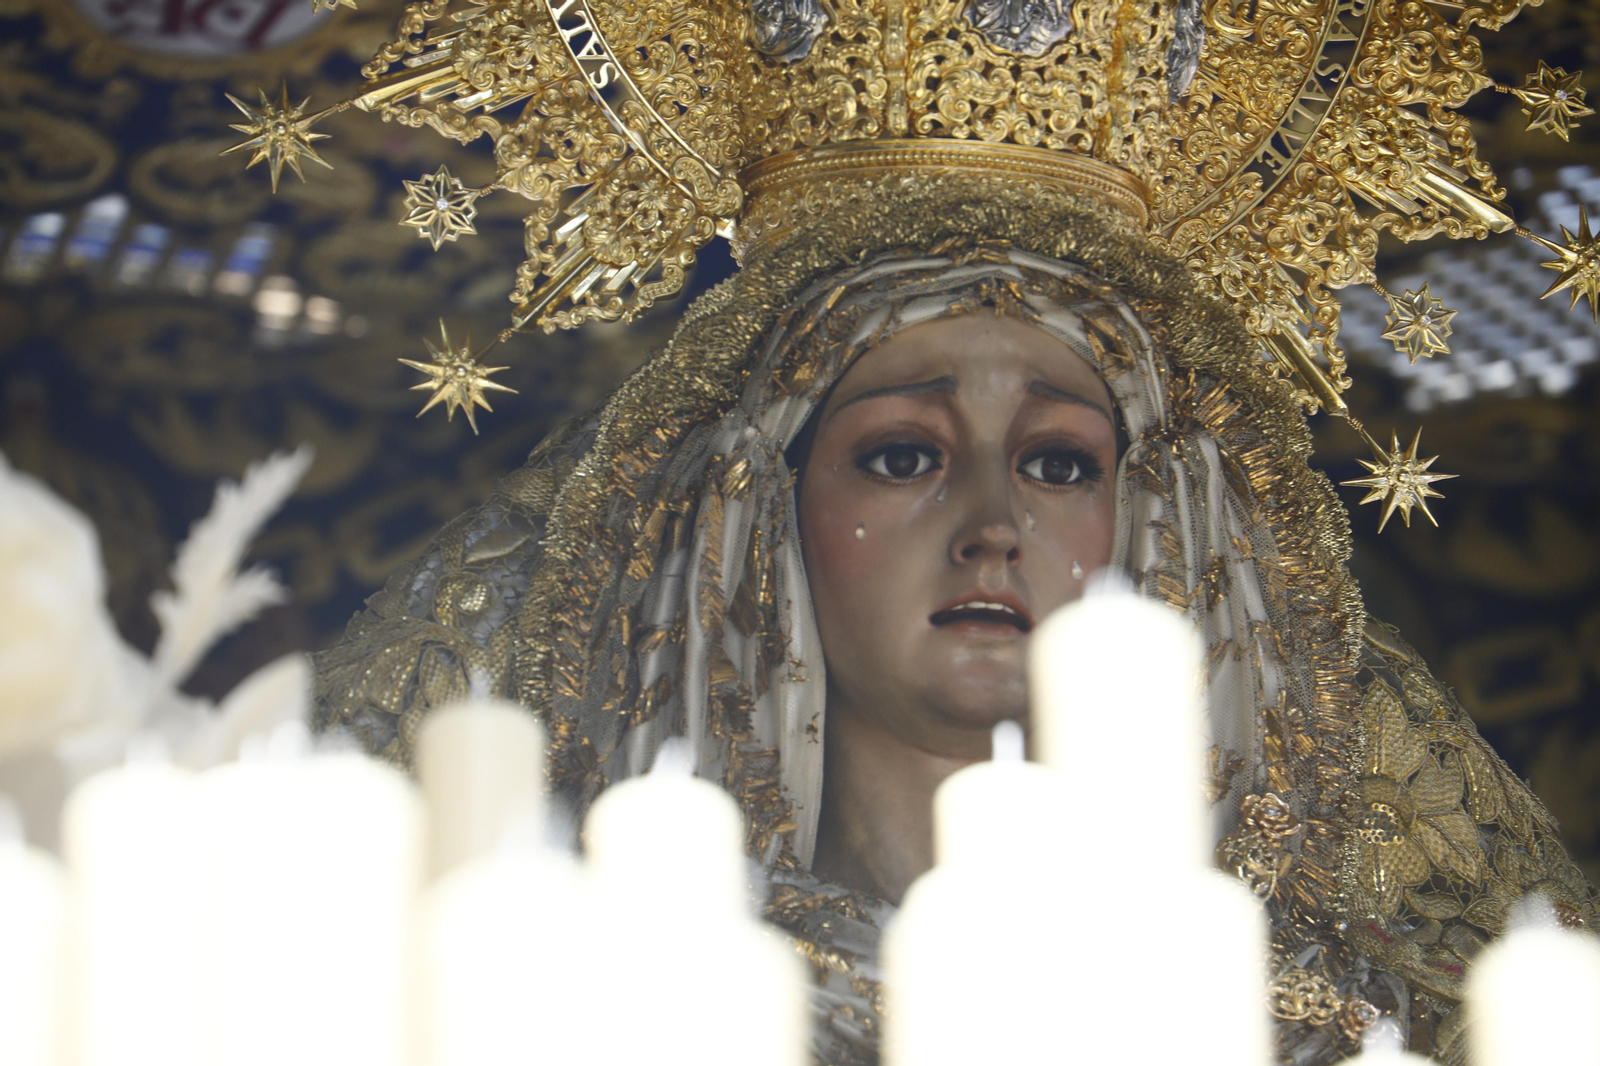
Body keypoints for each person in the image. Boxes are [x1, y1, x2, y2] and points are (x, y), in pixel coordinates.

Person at [283, 0, 1600, 1061]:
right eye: (903, 452)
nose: (991, 525)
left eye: (1060, 460)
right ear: (756, 515)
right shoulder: (550, 998)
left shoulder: (1355, 1036)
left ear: (1164, 528)